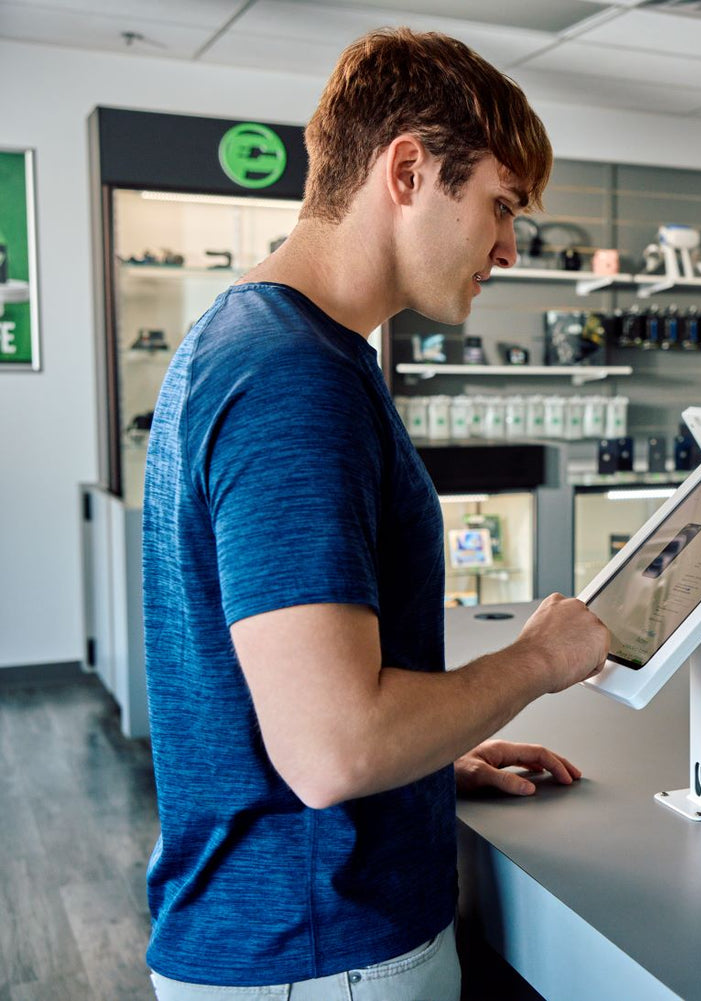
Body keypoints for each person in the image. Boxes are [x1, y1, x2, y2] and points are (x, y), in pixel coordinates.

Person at [140, 28, 610, 998]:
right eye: (500, 205)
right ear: (407, 171)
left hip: (288, 929)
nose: (508, 247)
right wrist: (538, 660)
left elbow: (294, 703)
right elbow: (333, 747)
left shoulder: (257, 337)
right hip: (322, 948)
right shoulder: (291, 377)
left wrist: (433, 750)